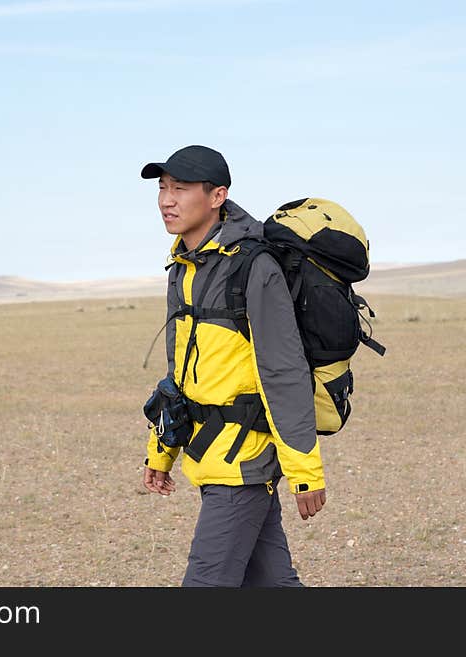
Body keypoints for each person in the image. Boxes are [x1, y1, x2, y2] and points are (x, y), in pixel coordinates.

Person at [140, 144, 327, 587]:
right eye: (163, 188)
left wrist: (306, 472)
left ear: (217, 196)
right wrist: (161, 449)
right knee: (273, 585)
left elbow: (285, 373)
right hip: (210, 453)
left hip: (243, 460)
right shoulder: (183, 266)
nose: (167, 199)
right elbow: (181, 373)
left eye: (181, 189)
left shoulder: (254, 267)